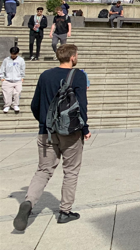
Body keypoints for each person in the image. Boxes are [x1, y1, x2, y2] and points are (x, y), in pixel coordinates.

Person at [14, 44, 90, 231]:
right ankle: (65, 212)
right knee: (70, 171)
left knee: (43, 170)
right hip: (70, 132)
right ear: (72, 57)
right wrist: (85, 127)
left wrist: (44, 123)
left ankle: (29, 202)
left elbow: (35, 104)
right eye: (76, 55)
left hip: (46, 131)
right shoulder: (78, 75)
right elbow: (81, 105)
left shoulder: (45, 75)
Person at [1, 46, 25, 114]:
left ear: (17, 53)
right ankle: (7, 105)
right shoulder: (6, 60)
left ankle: (15, 105)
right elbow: (2, 68)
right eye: (12, 54)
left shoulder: (21, 60)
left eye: (14, 54)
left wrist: (22, 77)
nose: (13, 55)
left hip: (17, 79)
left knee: (18, 92)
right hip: (8, 80)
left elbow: (22, 69)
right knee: (7, 93)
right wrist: (2, 77)